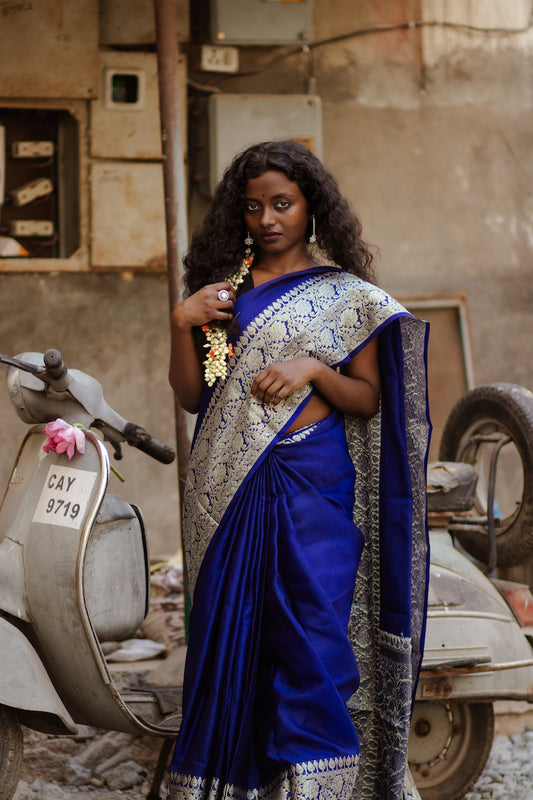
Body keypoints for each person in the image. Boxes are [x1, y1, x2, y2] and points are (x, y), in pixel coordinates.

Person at [167, 139, 431, 800]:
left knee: (310, 636)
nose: (267, 219)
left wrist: (313, 369)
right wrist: (181, 322)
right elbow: (196, 396)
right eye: (252, 207)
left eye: (281, 203)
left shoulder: (346, 297)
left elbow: (368, 399)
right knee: (233, 638)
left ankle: (313, 789)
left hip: (314, 484)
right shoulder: (223, 297)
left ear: (311, 206)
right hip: (232, 489)